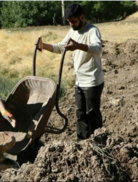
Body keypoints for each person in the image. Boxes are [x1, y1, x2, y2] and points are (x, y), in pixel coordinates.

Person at [37, 3, 104, 140]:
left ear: (82, 17)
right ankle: (82, 143)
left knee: (92, 114)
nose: (71, 24)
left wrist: (78, 46)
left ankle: (99, 145)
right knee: (80, 113)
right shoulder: (72, 31)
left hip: (92, 81)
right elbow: (61, 47)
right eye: (69, 22)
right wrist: (43, 46)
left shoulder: (92, 30)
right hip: (79, 81)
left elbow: (98, 48)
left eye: (73, 21)